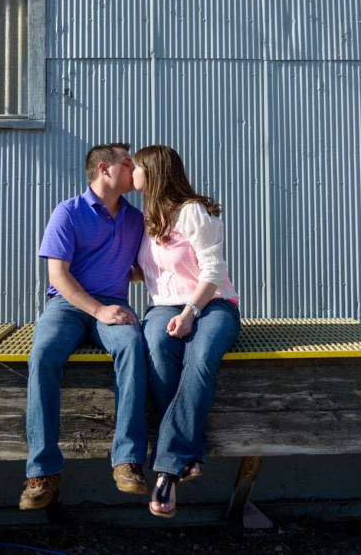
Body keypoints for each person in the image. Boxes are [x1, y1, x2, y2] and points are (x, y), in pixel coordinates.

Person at [20, 143, 148, 510]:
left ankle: (127, 460)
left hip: (114, 304)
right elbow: (58, 275)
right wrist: (97, 310)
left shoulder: (135, 219)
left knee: (132, 346)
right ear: (105, 169)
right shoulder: (68, 212)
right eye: (128, 163)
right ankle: (42, 470)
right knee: (42, 353)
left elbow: (143, 267)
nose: (133, 168)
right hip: (69, 305)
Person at [131, 145, 241, 519]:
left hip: (212, 304)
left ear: (155, 172)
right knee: (158, 352)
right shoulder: (146, 220)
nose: (131, 173)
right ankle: (189, 453)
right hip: (163, 306)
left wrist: (192, 312)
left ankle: (166, 469)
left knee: (201, 358)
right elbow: (150, 272)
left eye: (137, 168)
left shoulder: (192, 212)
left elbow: (212, 271)